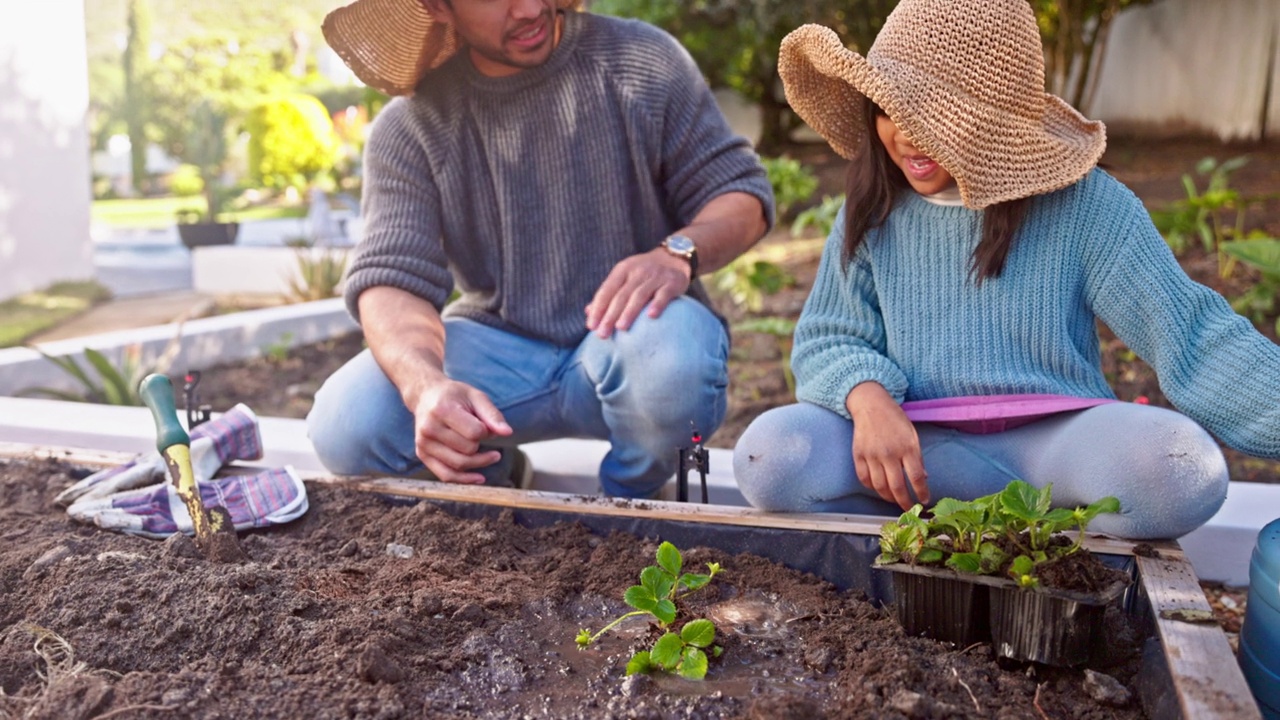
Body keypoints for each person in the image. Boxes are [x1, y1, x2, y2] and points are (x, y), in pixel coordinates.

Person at [732, 0, 1280, 540]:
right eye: (889, 108)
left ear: (994, 124)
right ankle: (918, 551)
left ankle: (1028, 548)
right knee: (772, 455)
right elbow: (828, 337)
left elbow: (1191, 336)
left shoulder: (1086, 205)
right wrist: (868, 398)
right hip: (914, 455)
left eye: (934, 116)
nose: (904, 135)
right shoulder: (872, 207)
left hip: (1052, 453)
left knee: (1182, 469)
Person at [307, 0, 774, 498]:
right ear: (437, 7)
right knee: (348, 422)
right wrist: (424, 386)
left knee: (675, 361)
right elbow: (389, 280)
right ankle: (494, 484)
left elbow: (741, 195)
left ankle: (630, 501)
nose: (531, 9)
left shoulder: (640, 60)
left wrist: (676, 253)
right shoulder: (412, 125)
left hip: (632, 335)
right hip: (497, 348)